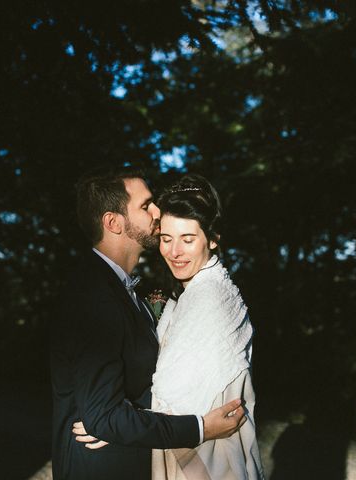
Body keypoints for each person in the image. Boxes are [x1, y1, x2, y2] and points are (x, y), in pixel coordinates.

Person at [50, 167, 246, 480]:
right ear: (114, 222)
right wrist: (201, 427)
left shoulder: (125, 290)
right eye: (145, 205)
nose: (157, 211)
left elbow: (139, 387)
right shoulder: (94, 297)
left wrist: (124, 419)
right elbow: (102, 415)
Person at [150, 173, 265, 479]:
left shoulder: (209, 296)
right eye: (166, 238)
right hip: (195, 444)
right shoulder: (193, 290)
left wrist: (109, 422)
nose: (174, 251)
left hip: (207, 458)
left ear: (213, 239)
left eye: (188, 239)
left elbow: (169, 394)